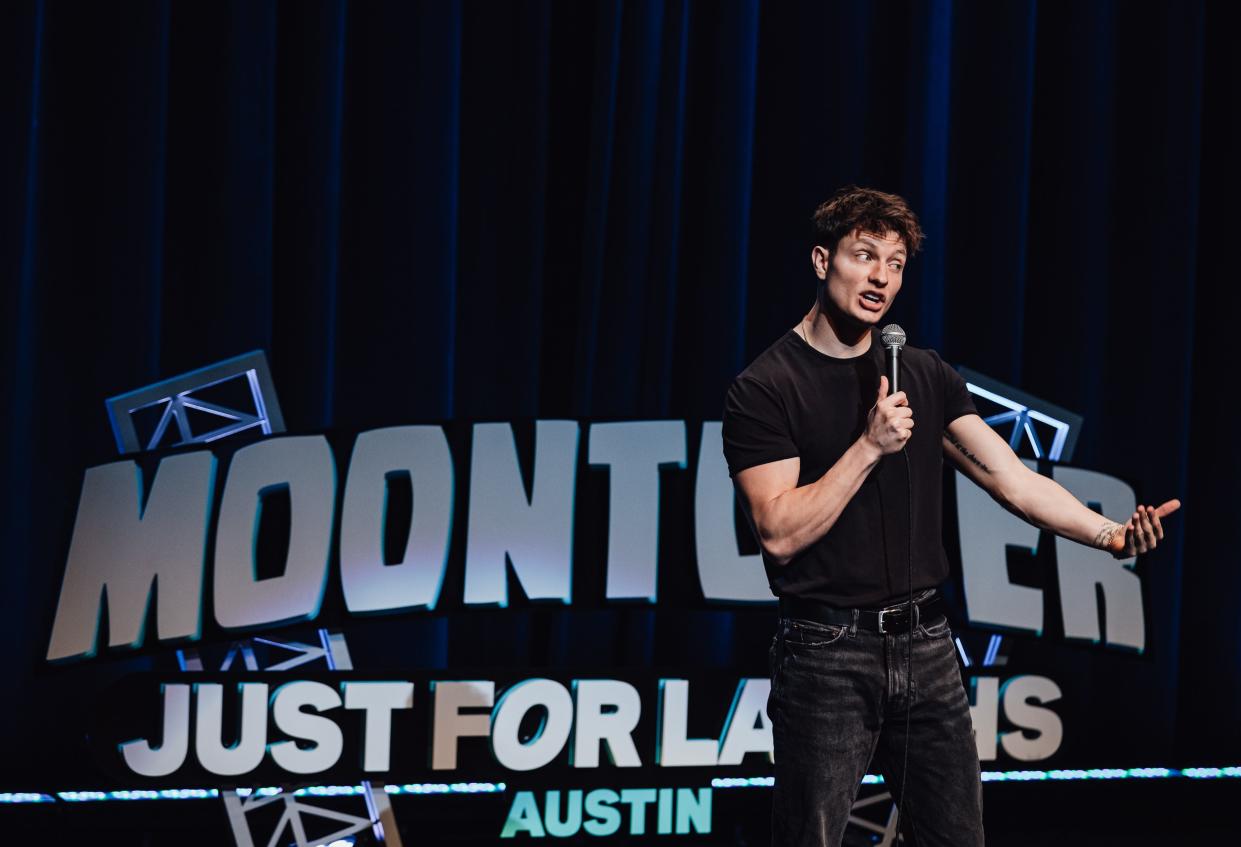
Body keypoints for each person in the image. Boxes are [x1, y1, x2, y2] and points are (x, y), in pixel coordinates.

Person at [721, 186, 1179, 847]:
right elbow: (778, 531)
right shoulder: (765, 388)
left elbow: (1011, 479)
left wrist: (1107, 534)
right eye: (864, 255)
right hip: (824, 653)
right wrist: (868, 446)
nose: (880, 276)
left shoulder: (923, 374)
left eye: (897, 263)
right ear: (822, 260)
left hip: (926, 645)